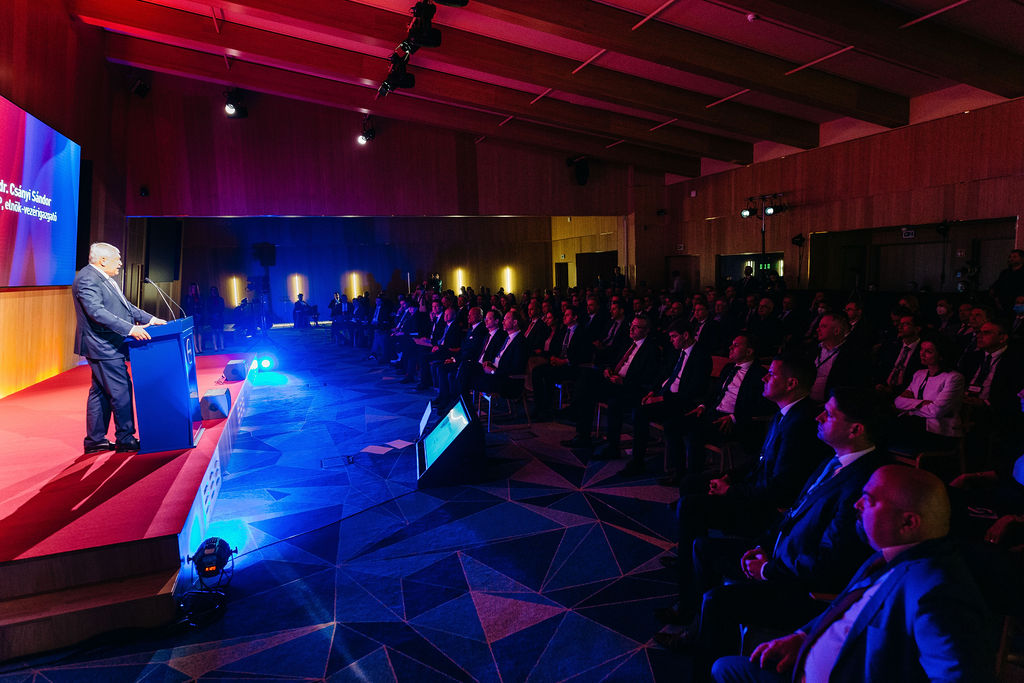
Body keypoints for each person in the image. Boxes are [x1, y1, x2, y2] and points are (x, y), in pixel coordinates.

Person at [712, 466, 994, 683]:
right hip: (804, 665)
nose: (856, 505)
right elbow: (844, 609)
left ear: (908, 522)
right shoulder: (884, 556)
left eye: (869, 500)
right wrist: (802, 637)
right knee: (726, 667)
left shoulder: (936, 591)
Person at [72, 242, 166, 454]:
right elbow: (96, 312)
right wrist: (130, 329)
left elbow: (125, 307)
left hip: (107, 344)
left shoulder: (103, 278)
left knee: (100, 392)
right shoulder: (87, 279)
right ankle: (125, 438)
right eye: (117, 259)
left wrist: (150, 319)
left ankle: (95, 441)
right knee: (120, 390)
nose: (121, 263)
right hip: (102, 345)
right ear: (102, 260)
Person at [891, 336, 964, 453]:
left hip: (940, 430)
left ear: (941, 355)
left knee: (893, 428)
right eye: (921, 349)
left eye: (928, 351)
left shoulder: (953, 378)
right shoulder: (919, 374)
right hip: (916, 424)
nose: (922, 354)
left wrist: (911, 409)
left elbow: (936, 411)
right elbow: (898, 401)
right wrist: (922, 403)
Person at [205, 285, 225, 351]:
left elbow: (222, 308)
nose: (213, 292)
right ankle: (215, 347)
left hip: (219, 317)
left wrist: (218, 314)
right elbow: (208, 309)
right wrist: (213, 315)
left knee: (220, 331)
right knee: (214, 331)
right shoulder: (209, 300)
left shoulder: (220, 299)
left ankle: (222, 346)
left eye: (214, 290)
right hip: (212, 317)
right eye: (212, 290)